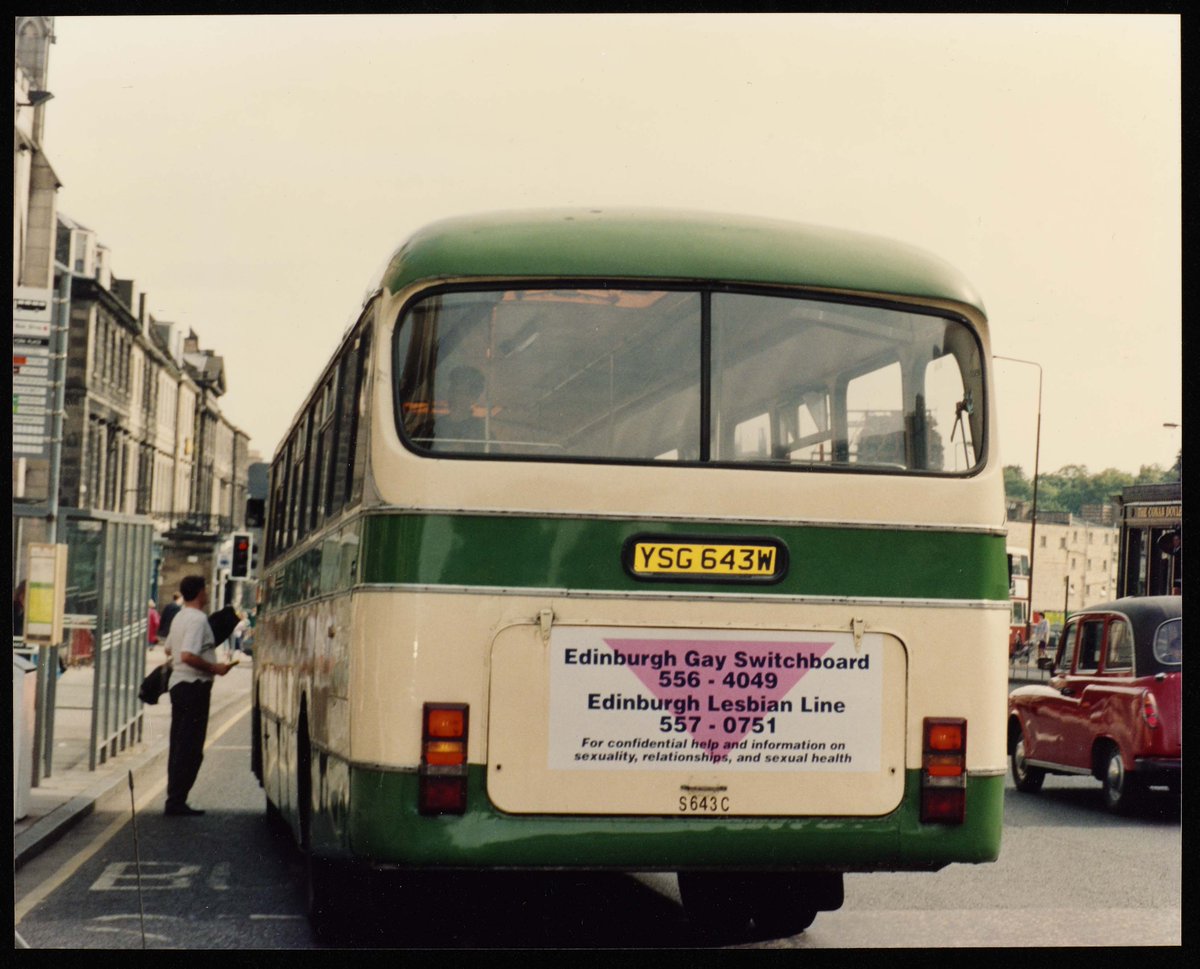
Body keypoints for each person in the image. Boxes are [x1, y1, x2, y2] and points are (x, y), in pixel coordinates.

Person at [162, 575, 233, 816]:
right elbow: (187, 655)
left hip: (179, 685)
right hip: (193, 687)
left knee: (179, 743)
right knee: (191, 747)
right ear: (200, 593)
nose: (207, 594)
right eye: (205, 590)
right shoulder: (198, 620)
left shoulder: (180, 616)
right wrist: (216, 668)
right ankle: (176, 800)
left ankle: (175, 797)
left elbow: (168, 648)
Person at [435, 365, 486, 446]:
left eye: (459, 392)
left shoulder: (482, 435)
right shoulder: (433, 428)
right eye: (452, 390)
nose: (452, 396)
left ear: (473, 397)